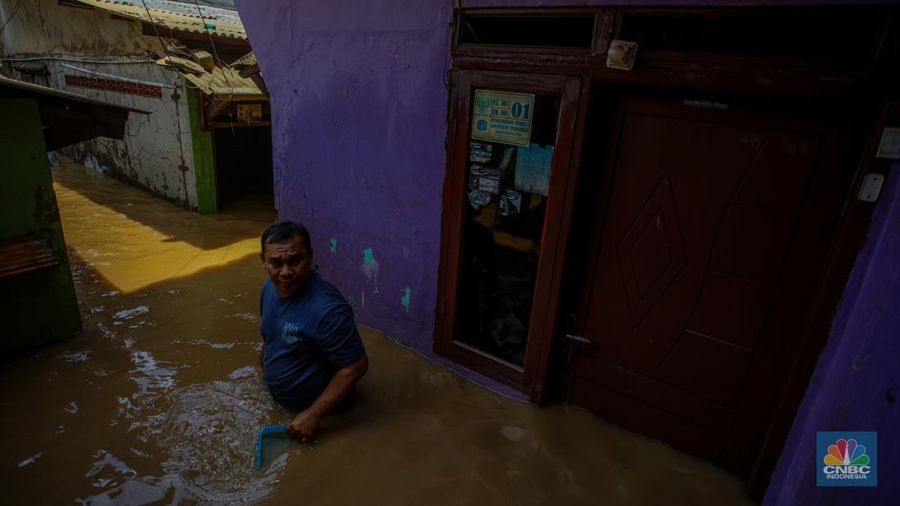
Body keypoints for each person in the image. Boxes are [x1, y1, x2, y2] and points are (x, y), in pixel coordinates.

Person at [258, 221, 368, 442]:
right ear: (263, 261)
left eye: (295, 261)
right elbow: (271, 333)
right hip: (280, 404)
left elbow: (356, 365)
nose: (286, 272)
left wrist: (314, 415)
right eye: (276, 263)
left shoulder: (327, 310)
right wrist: (260, 368)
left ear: (309, 256)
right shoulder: (269, 288)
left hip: (321, 417)